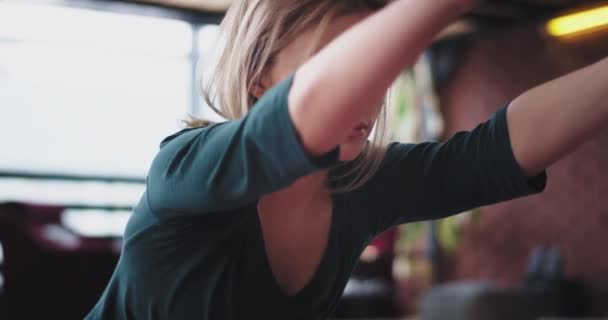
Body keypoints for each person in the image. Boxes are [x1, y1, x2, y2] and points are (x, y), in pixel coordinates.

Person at [85, 0, 608, 319]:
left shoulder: (359, 186)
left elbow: (490, 154)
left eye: (380, 69)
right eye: (342, 64)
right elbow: (292, 124)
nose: (373, 89)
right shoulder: (185, 169)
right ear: (257, 77)